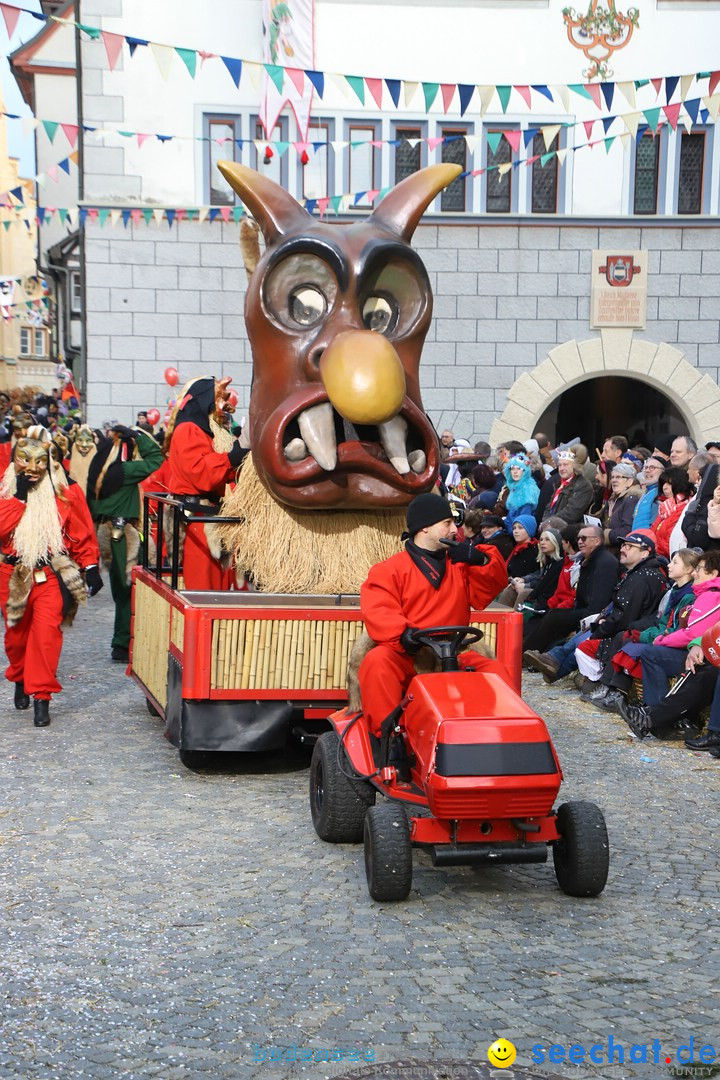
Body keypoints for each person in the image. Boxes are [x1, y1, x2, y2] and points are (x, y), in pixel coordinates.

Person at [358, 494, 509, 738]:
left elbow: (493, 583)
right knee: (377, 664)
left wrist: (479, 558)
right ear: (425, 527)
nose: (454, 530)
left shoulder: (460, 564)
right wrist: (404, 635)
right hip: (408, 654)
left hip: (454, 653)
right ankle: (389, 742)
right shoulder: (388, 570)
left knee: (494, 672)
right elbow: (379, 609)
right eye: (447, 523)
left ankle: (498, 736)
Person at [0, 427, 103, 727]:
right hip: (12, 575)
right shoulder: (5, 489)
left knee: (46, 637)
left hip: (48, 574)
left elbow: (81, 534)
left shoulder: (65, 493)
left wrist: (91, 566)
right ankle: (20, 676)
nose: (31, 467)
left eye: (39, 460)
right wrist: (18, 497)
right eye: (24, 459)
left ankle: (41, 697)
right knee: (17, 639)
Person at [581, 547, 700, 710]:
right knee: (623, 637)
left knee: (631, 646)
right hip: (663, 637)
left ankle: (619, 694)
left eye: (675, 562)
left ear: (688, 569)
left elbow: (676, 630)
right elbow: (662, 624)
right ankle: (609, 688)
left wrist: (644, 636)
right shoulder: (676, 592)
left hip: (673, 644)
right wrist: (645, 634)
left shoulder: (689, 596)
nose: (669, 565)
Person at [87, 424, 165, 663]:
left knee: (121, 590)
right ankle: (123, 643)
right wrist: (138, 436)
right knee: (128, 589)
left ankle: (123, 641)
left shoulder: (98, 471)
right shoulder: (124, 470)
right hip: (123, 535)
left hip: (106, 533)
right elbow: (156, 458)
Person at [166, 377, 247, 590]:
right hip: (197, 520)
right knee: (204, 586)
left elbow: (216, 472)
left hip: (208, 516)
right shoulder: (188, 430)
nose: (223, 407)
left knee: (218, 583)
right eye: (218, 399)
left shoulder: (202, 431)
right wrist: (230, 458)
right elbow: (199, 472)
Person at [522, 524, 619, 670]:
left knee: (555, 617)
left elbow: (598, 600)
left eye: (584, 538)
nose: (580, 541)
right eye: (578, 538)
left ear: (597, 541)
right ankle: (532, 656)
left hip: (593, 614)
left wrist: (579, 616)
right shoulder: (589, 559)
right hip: (582, 608)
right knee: (552, 615)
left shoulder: (605, 562)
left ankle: (523, 656)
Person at [539, 450, 593, 527]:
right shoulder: (559, 484)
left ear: (574, 465)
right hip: (553, 528)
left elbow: (572, 512)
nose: (561, 468)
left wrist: (549, 522)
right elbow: (549, 508)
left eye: (565, 465)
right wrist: (545, 522)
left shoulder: (583, 485)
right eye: (560, 465)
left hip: (570, 531)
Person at [600, 462, 640, 550]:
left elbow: (627, 532)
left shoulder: (631, 500)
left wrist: (605, 534)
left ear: (630, 481)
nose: (614, 480)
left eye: (618, 477)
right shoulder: (612, 500)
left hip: (620, 552)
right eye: (612, 477)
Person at [500, 454, 539, 533]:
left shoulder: (527, 491)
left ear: (525, 470)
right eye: (512, 468)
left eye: (519, 468)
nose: (515, 472)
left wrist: (510, 531)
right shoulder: (516, 487)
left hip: (518, 533)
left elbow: (523, 522)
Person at [632, 456, 664, 529]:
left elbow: (655, 524)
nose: (647, 470)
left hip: (647, 538)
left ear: (663, 471)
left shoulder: (660, 493)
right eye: (646, 467)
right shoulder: (646, 493)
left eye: (652, 467)